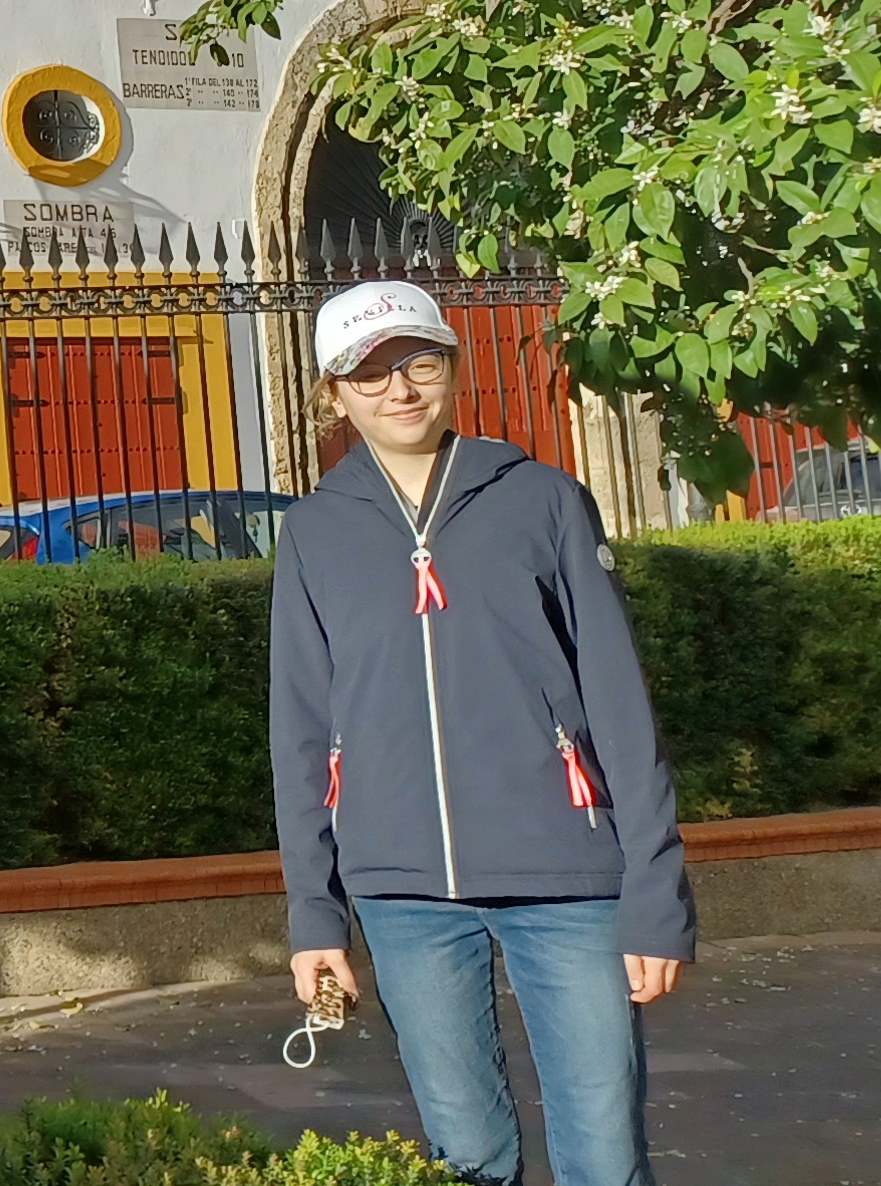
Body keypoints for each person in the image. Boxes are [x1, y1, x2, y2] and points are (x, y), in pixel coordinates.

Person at [271, 280, 695, 1186]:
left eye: (419, 363)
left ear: (454, 370)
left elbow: (620, 704)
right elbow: (300, 729)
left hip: (566, 877)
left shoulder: (543, 499)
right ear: (333, 394)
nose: (399, 389)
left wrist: (656, 896)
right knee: (466, 1153)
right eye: (369, 373)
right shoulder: (313, 530)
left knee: (604, 1149)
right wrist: (316, 914)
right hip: (401, 893)